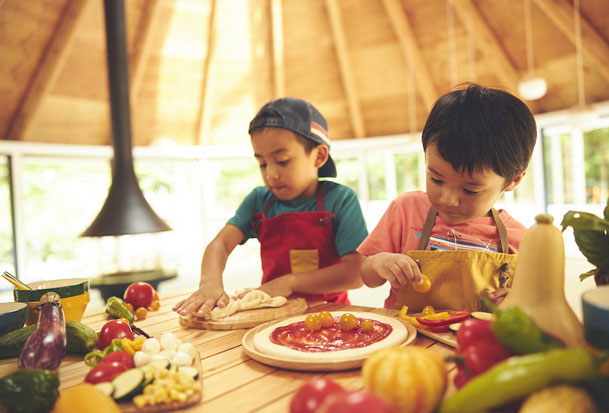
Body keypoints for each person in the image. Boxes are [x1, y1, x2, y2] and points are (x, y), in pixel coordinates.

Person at [174, 97, 368, 316]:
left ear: (319, 156)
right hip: (271, 314)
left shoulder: (341, 199)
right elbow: (220, 243)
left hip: (332, 314)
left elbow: (355, 273)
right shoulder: (259, 201)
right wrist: (209, 283)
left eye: (282, 160)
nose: (270, 174)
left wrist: (290, 283)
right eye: (262, 163)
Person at [357, 84, 537, 312]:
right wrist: (379, 263)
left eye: (470, 190)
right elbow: (367, 277)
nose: (448, 200)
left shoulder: (521, 239)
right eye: (436, 179)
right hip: (407, 342)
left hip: (473, 344)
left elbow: (530, 303)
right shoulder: (406, 209)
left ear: (513, 180)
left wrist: (516, 301)